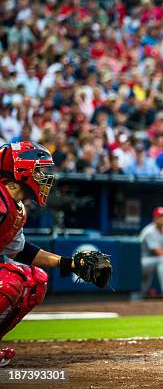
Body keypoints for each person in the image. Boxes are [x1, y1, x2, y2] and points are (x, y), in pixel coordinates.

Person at [0, 141, 111, 366]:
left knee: (35, 281)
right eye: (39, 170)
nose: (44, 177)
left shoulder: (16, 208)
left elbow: (20, 250)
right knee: (11, 281)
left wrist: (69, 263)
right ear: (22, 170)